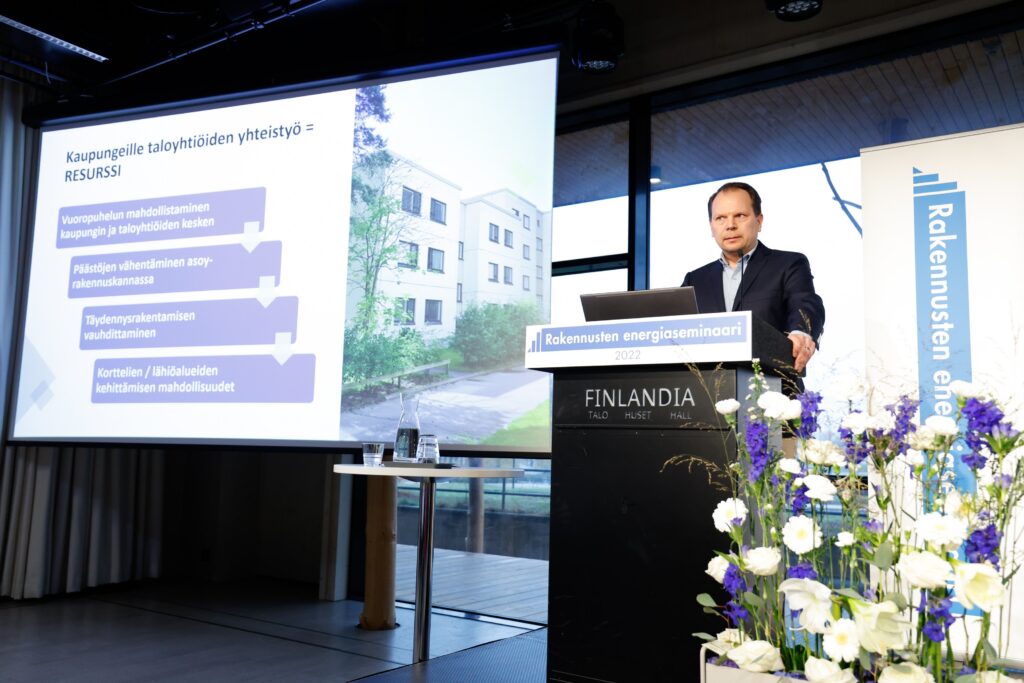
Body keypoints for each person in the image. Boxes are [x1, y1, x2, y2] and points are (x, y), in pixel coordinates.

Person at [682, 181, 824, 392]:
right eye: (720, 218)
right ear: (711, 226)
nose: (730, 225)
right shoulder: (695, 279)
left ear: (759, 221)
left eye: (740, 215)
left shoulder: (789, 264)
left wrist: (801, 332)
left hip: (775, 395)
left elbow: (805, 303)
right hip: (707, 397)